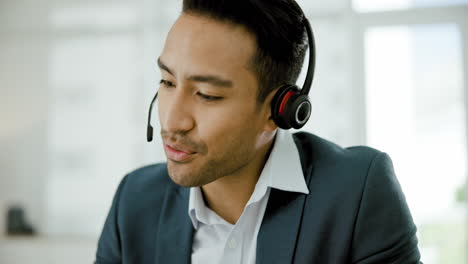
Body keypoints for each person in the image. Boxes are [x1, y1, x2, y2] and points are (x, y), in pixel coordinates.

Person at [95, 0, 422, 263]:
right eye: (167, 82)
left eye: (207, 94)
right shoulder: (134, 201)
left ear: (279, 109)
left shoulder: (358, 193)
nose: (173, 121)